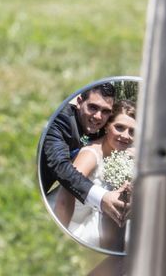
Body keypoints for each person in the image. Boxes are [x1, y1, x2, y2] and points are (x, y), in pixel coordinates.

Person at [53, 99, 137, 251]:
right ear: (106, 127)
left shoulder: (124, 154)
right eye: (120, 127)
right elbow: (64, 198)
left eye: (132, 131)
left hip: (98, 219)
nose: (126, 136)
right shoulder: (91, 155)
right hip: (73, 225)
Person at [41, 83, 128, 227]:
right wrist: (101, 197)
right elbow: (60, 165)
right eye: (93, 107)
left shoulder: (99, 128)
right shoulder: (60, 120)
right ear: (80, 102)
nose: (98, 116)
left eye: (105, 111)